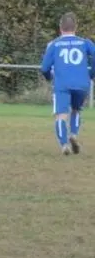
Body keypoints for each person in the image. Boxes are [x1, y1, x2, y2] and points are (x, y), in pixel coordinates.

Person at [40, 12, 95, 155]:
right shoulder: (85, 42)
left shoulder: (54, 44)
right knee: (76, 110)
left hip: (62, 84)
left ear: (60, 28)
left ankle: (64, 145)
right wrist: (91, 74)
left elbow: (44, 68)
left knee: (61, 115)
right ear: (75, 27)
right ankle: (74, 135)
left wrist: (49, 77)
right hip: (82, 84)